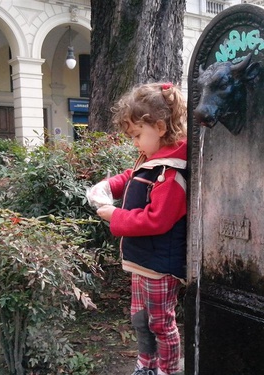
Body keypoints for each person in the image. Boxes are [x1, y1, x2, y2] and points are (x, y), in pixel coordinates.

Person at [87, 82, 187, 375]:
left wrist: (114, 215)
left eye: (137, 135)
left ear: (158, 126)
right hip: (142, 260)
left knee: (160, 322)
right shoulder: (154, 160)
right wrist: (108, 185)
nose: (135, 143)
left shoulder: (171, 172)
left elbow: (157, 219)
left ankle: (166, 370)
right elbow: (133, 176)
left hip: (158, 264)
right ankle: (146, 364)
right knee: (140, 318)